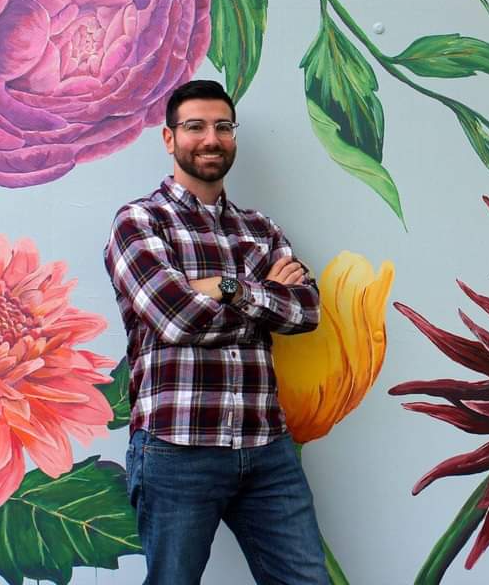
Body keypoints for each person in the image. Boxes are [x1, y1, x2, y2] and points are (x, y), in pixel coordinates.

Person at [103, 79, 328, 585]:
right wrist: (262, 291)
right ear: (169, 138)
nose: (211, 138)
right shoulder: (139, 223)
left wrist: (227, 288)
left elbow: (307, 311)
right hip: (177, 448)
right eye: (195, 126)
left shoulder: (260, 229)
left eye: (223, 127)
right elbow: (175, 319)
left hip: (266, 448)